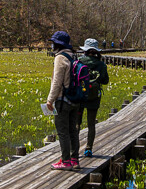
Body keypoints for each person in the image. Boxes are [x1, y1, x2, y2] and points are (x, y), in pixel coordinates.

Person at [46, 30, 82, 170]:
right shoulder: (73, 56)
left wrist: (50, 100)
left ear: (57, 44)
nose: (52, 45)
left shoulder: (60, 58)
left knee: (62, 131)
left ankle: (65, 162)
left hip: (63, 100)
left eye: (53, 43)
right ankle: (74, 160)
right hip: (75, 100)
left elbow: (57, 81)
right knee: (73, 131)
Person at [77, 38, 109, 157]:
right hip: (94, 97)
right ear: (96, 51)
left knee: (77, 123)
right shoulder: (101, 64)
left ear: (85, 50)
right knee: (91, 124)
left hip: (79, 96)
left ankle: (74, 150)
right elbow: (105, 81)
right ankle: (88, 149)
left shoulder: (79, 62)